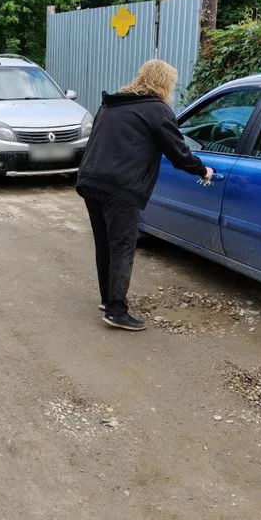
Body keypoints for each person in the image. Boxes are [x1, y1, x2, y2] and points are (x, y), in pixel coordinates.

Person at [77, 60, 213, 331]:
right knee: (123, 247)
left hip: (91, 181)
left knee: (106, 245)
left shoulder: (112, 104)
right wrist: (202, 170)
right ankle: (116, 310)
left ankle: (108, 300)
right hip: (121, 188)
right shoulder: (157, 110)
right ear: (163, 83)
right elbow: (178, 152)